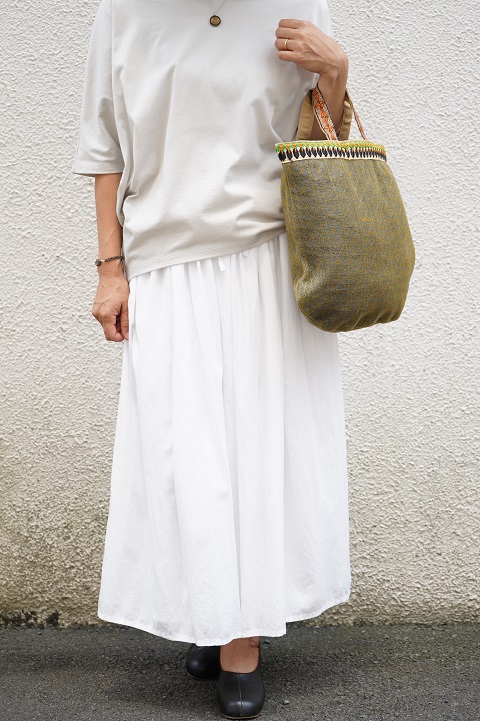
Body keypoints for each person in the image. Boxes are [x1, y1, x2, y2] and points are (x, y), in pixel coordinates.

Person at [72, 0, 353, 718]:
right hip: (166, 264)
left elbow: (320, 143)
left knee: (258, 453)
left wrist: (335, 74)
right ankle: (214, 607)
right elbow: (104, 150)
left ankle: (239, 638)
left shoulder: (295, 4)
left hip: (268, 259)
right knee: (186, 455)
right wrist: (110, 269)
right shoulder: (123, 13)